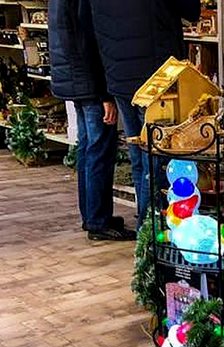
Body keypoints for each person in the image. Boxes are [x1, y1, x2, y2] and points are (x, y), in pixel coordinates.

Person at [87, 0, 201, 225]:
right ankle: (149, 231)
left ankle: (145, 224)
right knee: (156, 160)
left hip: (119, 75)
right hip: (156, 78)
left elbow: (94, 30)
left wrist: (104, 90)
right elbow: (191, 11)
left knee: (140, 157)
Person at [49, 0, 135, 241]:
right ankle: (98, 220)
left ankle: (92, 215)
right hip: (89, 82)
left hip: (74, 78)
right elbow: (89, 40)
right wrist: (104, 95)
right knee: (99, 151)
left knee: (88, 149)